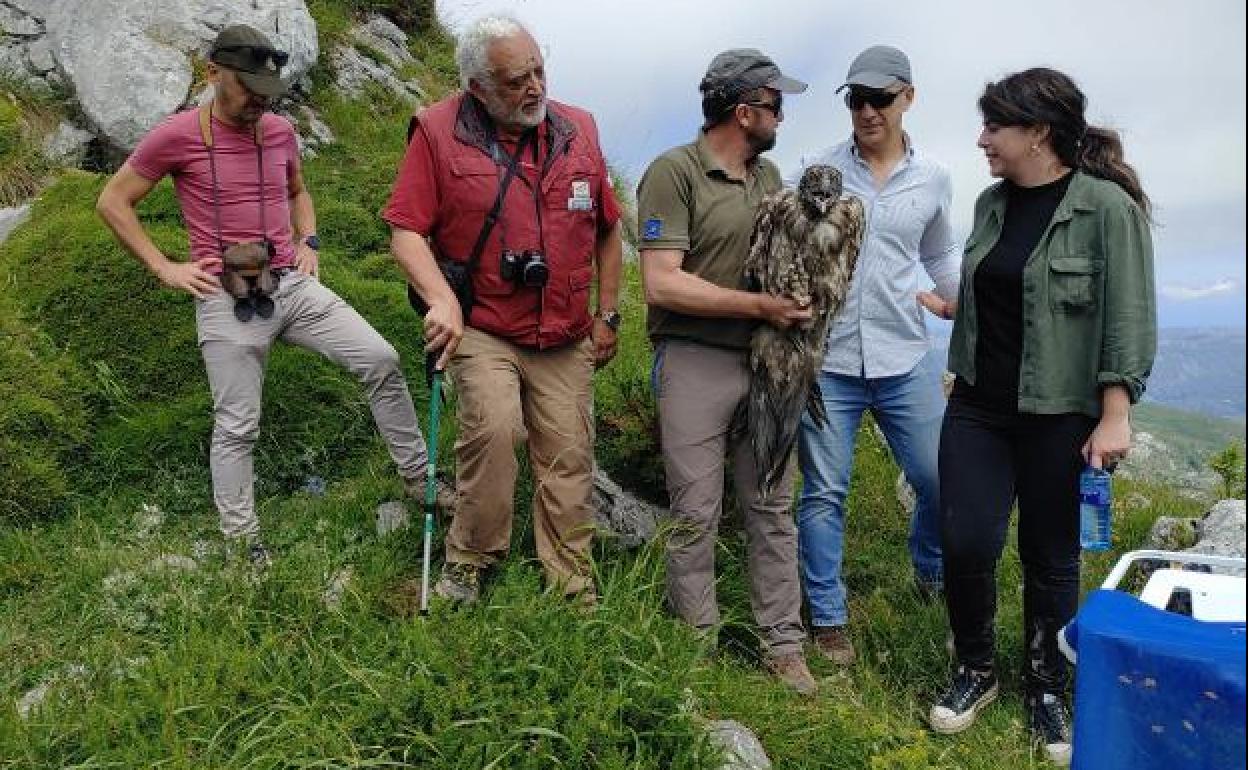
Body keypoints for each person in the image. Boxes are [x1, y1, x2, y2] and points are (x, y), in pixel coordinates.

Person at [97, 24, 433, 567]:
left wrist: (310, 240)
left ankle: (421, 481)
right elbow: (113, 201)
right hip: (224, 298)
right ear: (213, 73)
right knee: (238, 425)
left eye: (266, 90)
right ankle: (242, 541)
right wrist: (164, 267)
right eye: (248, 87)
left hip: (291, 286)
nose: (259, 101)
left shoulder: (278, 131)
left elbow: (298, 191)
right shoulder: (176, 135)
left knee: (381, 358)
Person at [922, 68, 1156, 766]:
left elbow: (1129, 315)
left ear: (1039, 133)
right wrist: (957, 308)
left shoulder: (1107, 208)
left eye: (995, 126)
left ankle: (1046, 687)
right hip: (977, 406)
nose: (982, 139)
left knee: (1051, 557)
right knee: (965, 541)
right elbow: (1010, 284)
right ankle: (975, 671)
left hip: (1063, 413)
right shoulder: (992, 203)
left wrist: (1115, 413)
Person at [383, 14, 623, 606]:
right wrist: (441, 300)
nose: (535, 88)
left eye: (540, 71)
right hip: (483, 323)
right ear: (478, 87)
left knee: (569, 454)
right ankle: (470, 562)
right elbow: (405, 232)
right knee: (492, 432)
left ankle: (570, 582)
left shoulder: (581, 130)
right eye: (517, 80)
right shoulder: (437, 132)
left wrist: (609, 313)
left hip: (564, 330)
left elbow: (609, 231)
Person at [637, 49, 817, 695]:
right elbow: (661, 283)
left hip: (769, 367)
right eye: (775, 105)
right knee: (696, 512)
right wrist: (762, 306)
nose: (782, 117)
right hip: (693, 361)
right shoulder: (674, 172)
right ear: (744, 111)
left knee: (773, 508)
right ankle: (697, 645)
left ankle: (784, 645)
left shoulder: (772, 179)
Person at [794, 45, 960, 666]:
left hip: (904, 355)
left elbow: (939, 253)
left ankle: (931, 570)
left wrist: (968, 305)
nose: (866, 112)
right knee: (823, 492)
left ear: (908, 97)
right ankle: (828, 617)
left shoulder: (935, 176)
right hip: (828, 357)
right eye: (855, 100)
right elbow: (782, 235)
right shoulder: (818, 170)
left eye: (879, 99)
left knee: (940, 479)